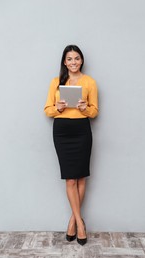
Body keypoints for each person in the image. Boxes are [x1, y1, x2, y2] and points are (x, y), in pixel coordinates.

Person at [44, 45, 98, 245]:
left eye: (77, 58)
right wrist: (57, 108)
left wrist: (85, 109)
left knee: (81, 178)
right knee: (70, 180)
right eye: (69, 59)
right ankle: (80, 222)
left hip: (82, 131)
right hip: (62, 131)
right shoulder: (56, 82)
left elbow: (95, 111)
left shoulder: (90, 82)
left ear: (81, 60)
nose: (73, 62)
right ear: (64, 62)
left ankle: (73, 222)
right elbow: (47, 109)